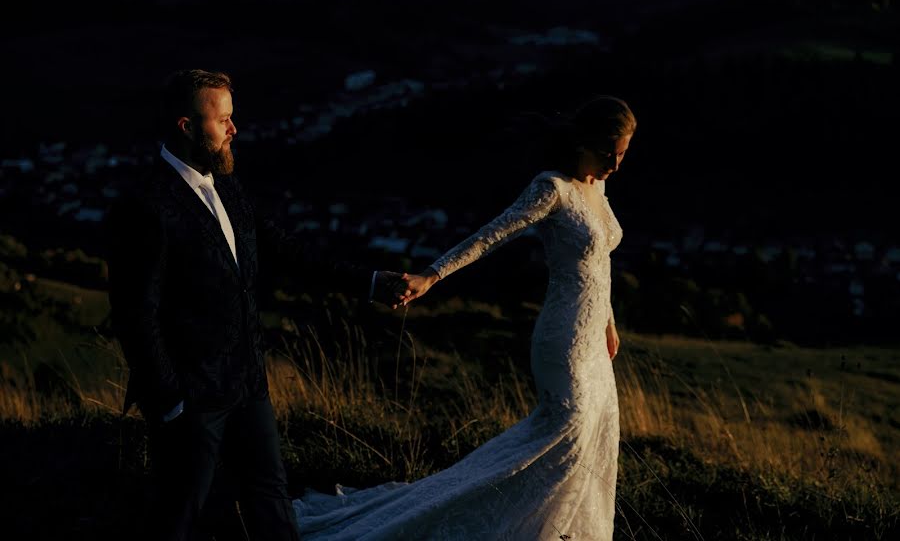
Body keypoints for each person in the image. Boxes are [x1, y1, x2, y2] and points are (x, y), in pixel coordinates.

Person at [293, 95, 636, 540]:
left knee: (591, 436)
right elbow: (490, 236)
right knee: (564, 433)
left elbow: (600, 264)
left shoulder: (599, 189)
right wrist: (431, 276)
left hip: (595, 339)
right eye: (608, 150)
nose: (614, 162)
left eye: (623, 152)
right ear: (584, 141)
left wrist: (609, 321)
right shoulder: (553, 187)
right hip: (564, 338)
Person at [105, 69, 405, 541]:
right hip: (192, 397)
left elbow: (284, 249)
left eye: (232, 117)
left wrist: (369, 281)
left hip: (248, 383)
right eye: (222, 119)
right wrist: (170, 402)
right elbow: (134, 313)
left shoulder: (226, 182)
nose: (233, 129)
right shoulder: (146, 206)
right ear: (186, 126)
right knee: (179, 514)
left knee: (271, 499)